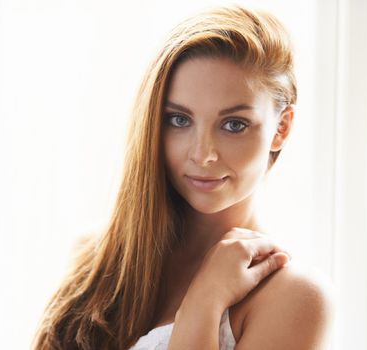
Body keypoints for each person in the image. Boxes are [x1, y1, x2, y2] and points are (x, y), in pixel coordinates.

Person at [32, 5, 334, 350]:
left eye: (234, 124)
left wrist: (205, 301)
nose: (203, 154)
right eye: (179, 120)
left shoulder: (295, 297)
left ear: (282, 128)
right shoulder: (94, 257)